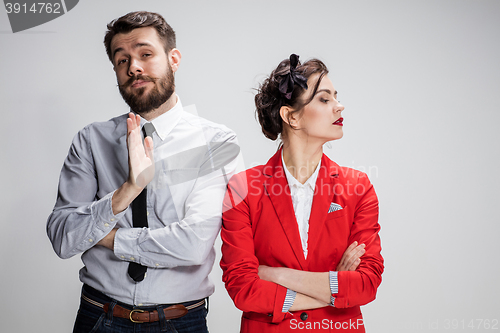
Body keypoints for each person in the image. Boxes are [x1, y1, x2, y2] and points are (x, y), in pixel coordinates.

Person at [47, 11, 239, 333]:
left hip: (182, 322)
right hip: (98, 317)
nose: (133, 67)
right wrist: (125, 193)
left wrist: (104, 237)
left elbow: (194, 245)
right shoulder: (91, 140)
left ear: (173, 58)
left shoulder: (217, 142)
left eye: (145, 54)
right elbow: (63, 238)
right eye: (122, 61)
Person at [220, 54, 383, 332]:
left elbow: (366, 285)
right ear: (291, 116)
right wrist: (334, 286)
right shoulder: (242, 188)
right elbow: (244, 289)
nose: (339, 106)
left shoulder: (358, 186)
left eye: (336, 97)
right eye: (324, 99)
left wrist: (275, 274)